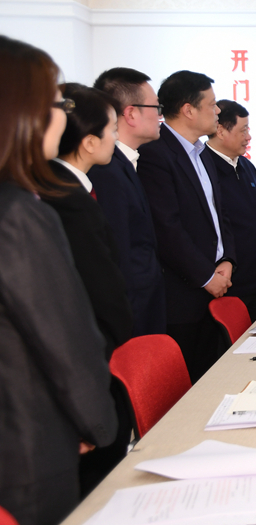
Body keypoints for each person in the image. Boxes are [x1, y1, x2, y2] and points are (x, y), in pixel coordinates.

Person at [0, 35, 116, 525]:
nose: (63, 117)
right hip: (30, 451)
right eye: (56, 104)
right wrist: (96, 422)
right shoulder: (18, 214)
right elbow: (63, 338)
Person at [42, 83, 135, 496]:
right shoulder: (67, 201)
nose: (116, 138)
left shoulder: (65, 190)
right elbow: (99, 296)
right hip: (94, 367)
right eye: (112, 129)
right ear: (89, 142)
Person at [138, 70, 236, 383]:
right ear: (188, 110)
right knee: (186, 390)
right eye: (212, 104)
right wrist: (206, 276)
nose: (218, 110)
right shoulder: (155, 154)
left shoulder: (203, 154)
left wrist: (227, 259)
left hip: (216, 287)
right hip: (183, 298)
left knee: (215, 382)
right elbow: (166, 228)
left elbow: (219, 215)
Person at [89, 67, 167, 337]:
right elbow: (118, 254)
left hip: (145, 303)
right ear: (131, 113)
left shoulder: (125, 162)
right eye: (156, 107)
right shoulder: (106, 170)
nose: (160, 116)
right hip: (133, 314)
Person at [206, 100, 256, 321]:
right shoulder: (203, 167)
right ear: (220, 131)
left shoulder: (247, 166)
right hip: (227, 283)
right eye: (243, 130)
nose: (248, 137)